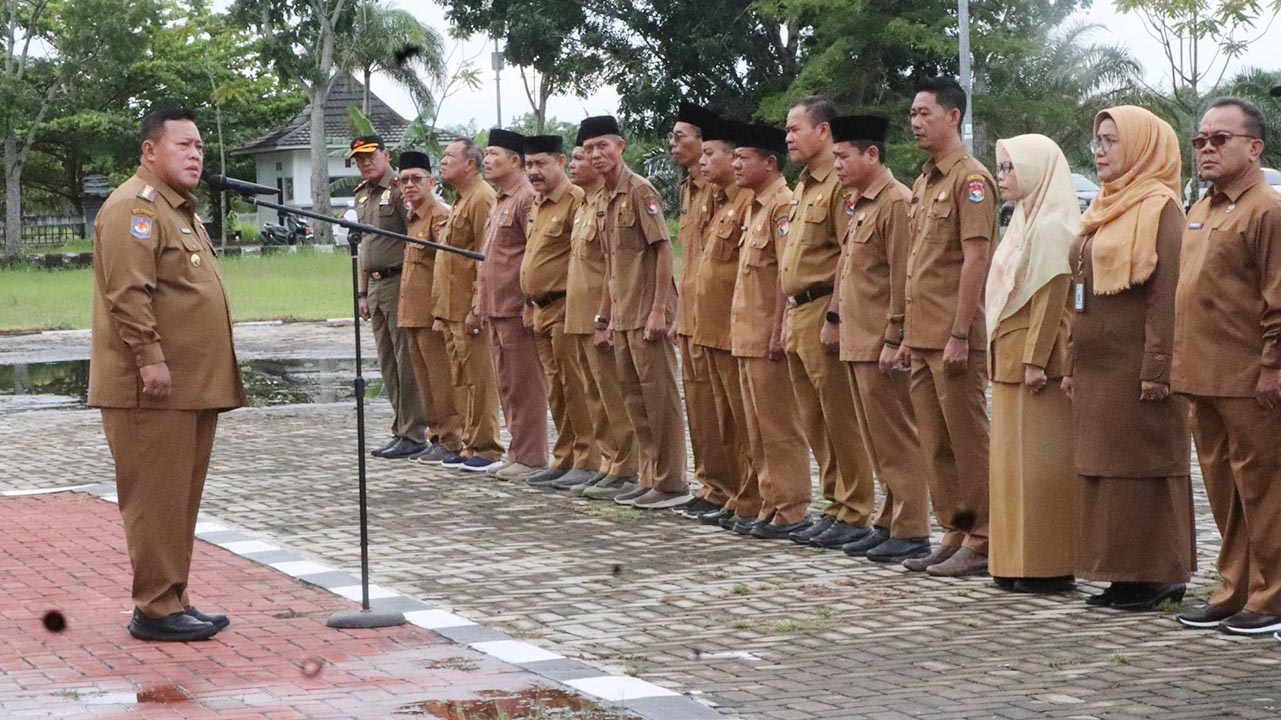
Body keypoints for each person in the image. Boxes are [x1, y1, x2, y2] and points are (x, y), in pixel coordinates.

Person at [89, 106, 244, 641]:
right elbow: (128, 293)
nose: (196, 155)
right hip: (151, 386)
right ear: (149, 151)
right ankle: (154, 608)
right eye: (184, 145)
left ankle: (173, 597)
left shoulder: (181, 212)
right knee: (155, 498)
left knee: (179, 498)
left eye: (199, 146)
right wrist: (149, 355)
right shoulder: (135, 207)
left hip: (188, 387)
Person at [1062, 105, 1193, 611]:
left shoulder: (1161, 208)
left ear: (1142, 147)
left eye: (1112, 141)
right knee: (1105, 472)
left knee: (1144, 470)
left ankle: (1157, 573)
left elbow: (1168, 296)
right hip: (1098, 368)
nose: (1100, 150)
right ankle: (1122, 571)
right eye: (1098, 140)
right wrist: (1073, 361)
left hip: (1137, 368)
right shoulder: (1104, 207)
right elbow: (1079, 291)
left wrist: (1158, 368)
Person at [1172, 98, 1281, 634]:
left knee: (1265, 489)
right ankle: (1234, 589)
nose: (1206, 148)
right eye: (1200, 140)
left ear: (1254, 147)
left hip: (1249, 377)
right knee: (1224, 492)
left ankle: (1273, 595)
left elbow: (1278, 298)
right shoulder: (1201, 208)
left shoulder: (1268, 208)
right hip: (1202, 375)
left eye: (1220, 139)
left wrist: (1273, 366)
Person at [898, 77, 996, 578]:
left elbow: (976, 259)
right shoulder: (924, 181)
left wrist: (960, 333)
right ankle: (954, 530)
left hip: (953, 336)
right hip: (922, 335)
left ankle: (984, 538)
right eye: (912, 113)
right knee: (935, 442)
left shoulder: (970, 179)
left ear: (953, 117)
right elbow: (918, 262)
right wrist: (903, 335)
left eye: (924, 112)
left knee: (967, 439)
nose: (915, 122)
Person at [824, 115, 932, 563]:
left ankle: (912, 528)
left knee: (896, 438)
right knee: (875, 440)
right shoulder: (859, 204)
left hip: (878, 342)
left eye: (843, 156)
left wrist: (894, 336)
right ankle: (889, 520)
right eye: (833, 158)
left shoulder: (895, 203)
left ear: (872, 154)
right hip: (857, 337)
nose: (837, 166)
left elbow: (902, 277)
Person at [780, 96, 877, 550]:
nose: (788, 138)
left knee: (839, 415)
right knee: (813, 416)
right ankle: (836, 503)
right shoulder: (803, 186)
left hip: (824, 308)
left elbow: (846, 255)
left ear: (824, 132)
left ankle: (856, 509)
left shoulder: (839, 186)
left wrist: (836, 315)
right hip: (799, 309)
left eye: (795, 128)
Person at [984, 134, 1078, 593]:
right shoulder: (1022, 219)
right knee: (1008, 468)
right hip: (1008, 356)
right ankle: (1013, 560)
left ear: (1037, 169)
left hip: (1033, 363)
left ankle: (1045, 563)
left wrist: (1036, 359)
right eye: (1000, 168)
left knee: (1039, 468)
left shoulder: (1053, 225)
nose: (1002, 177)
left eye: (1009, 168)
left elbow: (1052, 299)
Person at [582, 115, 691, 509]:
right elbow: (613, 264)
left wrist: (659, 310)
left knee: (659, 399)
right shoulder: (604, 199)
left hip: (648, 313)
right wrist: (604, 317)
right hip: (623, 314)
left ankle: (673, 481)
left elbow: (663, 250)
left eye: (603, 147)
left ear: (620, 147)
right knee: (634, 401)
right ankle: (650, 476)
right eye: (590, 149)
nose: (596, 155)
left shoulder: (640, 190)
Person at [728, 121, 814, 539]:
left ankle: (792, 506)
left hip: (767, 335)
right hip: (746, 333)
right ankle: (769, 499)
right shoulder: (754, 204)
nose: (735, 164)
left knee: (779, 426)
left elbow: (784, 273)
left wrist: (779, 328)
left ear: (769, 162)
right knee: (756, 427)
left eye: (743, 158)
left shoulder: (782, 204)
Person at [520, 134, 600, 490]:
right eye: (529, 165)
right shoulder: (536, 204)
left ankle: (587, 459)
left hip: (566, 305)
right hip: (540, 309)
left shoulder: (574, 200)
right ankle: (564, 456)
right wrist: (527, 302)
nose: (533, 172)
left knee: (575, 386)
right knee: (556, 388)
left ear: (561, 161)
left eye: (540, 164)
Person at [692, 116, 760, 532]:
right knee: (726, 421)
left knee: (746, 419)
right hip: (713, 327)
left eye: (710, 153)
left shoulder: (749, 203)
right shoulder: (721, 203)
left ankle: (753, 496)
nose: (704, 161)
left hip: (737, 328)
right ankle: (738, 493)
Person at [564, 138, 641, 499]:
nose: (582, 162)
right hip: (577, 314)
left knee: (614, 394)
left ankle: (626, 465)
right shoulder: (583, 204)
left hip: (602, 313)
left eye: (585, 156)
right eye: (580, 154)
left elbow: (612, 266)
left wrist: (604, 317)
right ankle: (610, 461)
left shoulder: (611, 203)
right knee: (594, 395)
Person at [667, 102, 733, 519]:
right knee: (700, 407)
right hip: (691, 312)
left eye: (682, 137)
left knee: (723, 409)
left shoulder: (723, 189)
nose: (674, 145)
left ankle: (729, 488)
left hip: (719, 315)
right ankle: (710, 483)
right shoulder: (688, 189)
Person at [470, 128, 548, 477]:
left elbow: (533, 254)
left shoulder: (525, 198)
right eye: (485, 154)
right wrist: (478, 302)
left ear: (515, 161)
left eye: (493, 154)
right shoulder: (500, 199)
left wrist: (529, 300)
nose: (486, 160)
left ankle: (531, 455)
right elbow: (489, 257)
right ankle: (517, 451)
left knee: (525, 385)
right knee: (506, 384)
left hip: (516, 306)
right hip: (495, 306)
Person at [350, 134, 429, 460]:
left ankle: (413, 432)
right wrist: (362, 293)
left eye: (370, 156)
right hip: (377, 285)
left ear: (385, 154)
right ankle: (401, 428)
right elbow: (366, 247)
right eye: (359, 159)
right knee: (387, 362)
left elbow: (416, 239)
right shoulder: (362, 195)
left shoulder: (400, 190)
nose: (365, 163)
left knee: (405, 360)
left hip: (400, 282)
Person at [430, 138, 504, 470]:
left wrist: (477, 305)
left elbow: (483, 259)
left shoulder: (482, 199)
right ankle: (470, 444)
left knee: (480, 378)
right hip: (451, 308)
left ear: (469, 164)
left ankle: (486, 446)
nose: (442, 161)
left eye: (449, 156)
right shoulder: (460, 200)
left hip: (469, 308)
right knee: (463, 379)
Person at [395, 150, 464, 464]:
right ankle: (435, 436)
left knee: (441, 380)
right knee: (424, 382)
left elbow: (446, 267)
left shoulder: (439, 216)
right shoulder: (413, 217)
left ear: (432, 181)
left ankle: (451, 439)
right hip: (411, 312)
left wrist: (440, 311)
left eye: (416, 179)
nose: (409, 185)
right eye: (404, 180)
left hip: (431, 313)